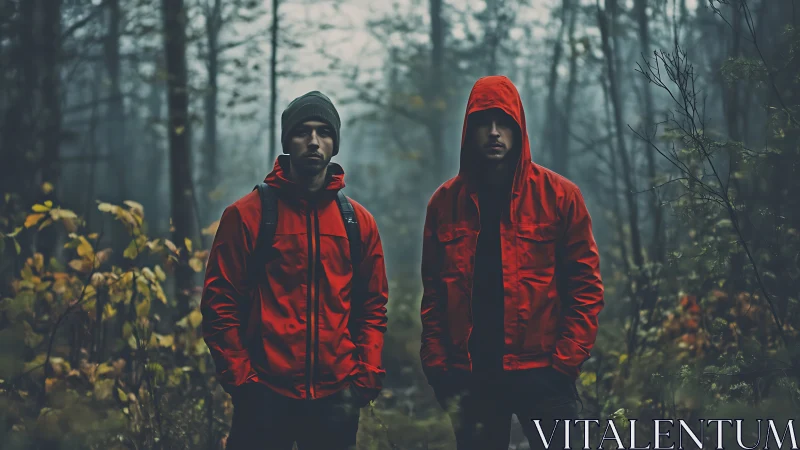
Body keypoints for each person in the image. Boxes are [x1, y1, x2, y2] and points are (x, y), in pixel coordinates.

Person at [419, 75, 604, 450]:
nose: (493, 133)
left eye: (503, 122)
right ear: (468, 131)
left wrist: (564, 364)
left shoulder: (560, 197)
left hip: (544, 375)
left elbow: (586, 288)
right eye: (483, 123)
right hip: (472, 377)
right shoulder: (444, 204)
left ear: (518, 128)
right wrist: (439, 368)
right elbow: (434, 294)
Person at [201, 91, 389, 450]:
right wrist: (243, 383)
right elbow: (219, 305)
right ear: (287, 141)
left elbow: (373, 307)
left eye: (324, 132)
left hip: (336, 398)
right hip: (263, 397)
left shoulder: (357, 222)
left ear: (334, 143)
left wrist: (364, 378)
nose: (314, 141)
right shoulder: (246, 216)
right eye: (303, 131)